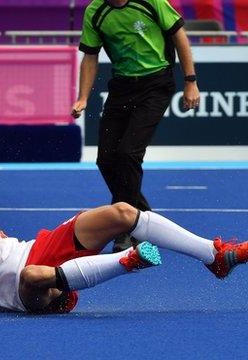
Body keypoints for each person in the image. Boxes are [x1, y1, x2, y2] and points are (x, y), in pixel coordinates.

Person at [0, 187, 246, 314]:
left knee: (123, 213)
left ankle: (214, 256)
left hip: (39, 248)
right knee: (32, 275)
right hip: (31, 295)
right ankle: (127, 260)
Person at [70, 0, 201, 252]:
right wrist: (83, 97)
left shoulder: (151, 2)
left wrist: (190, 81)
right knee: (106, 160)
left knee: (128, 154)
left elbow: (179, 35)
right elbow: (90, 55)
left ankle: (125, 229)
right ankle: (144, 218)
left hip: (156, 82)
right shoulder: (96, 12)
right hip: (121, 86)